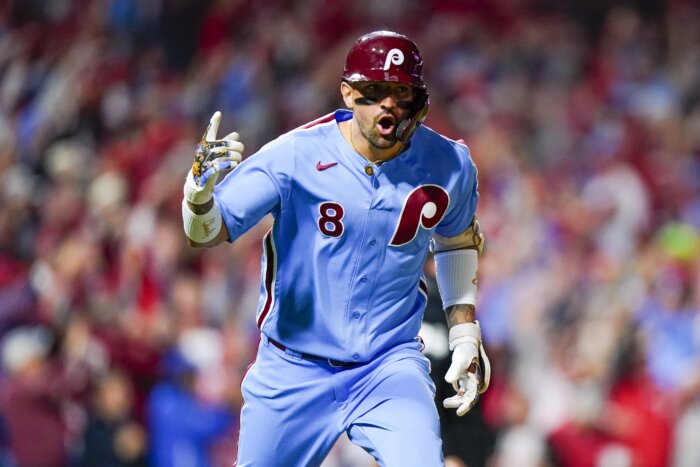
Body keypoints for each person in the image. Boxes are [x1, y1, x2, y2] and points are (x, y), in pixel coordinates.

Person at [181, 30, 491, 466]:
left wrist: (463, 332)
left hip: (388, 365)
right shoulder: (295, 154)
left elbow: (457, 238)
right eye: (375, 90)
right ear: (348, 92)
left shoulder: (449, 163)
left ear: (418, 98)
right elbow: (207, 231)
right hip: (293, 365)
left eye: (400, 91)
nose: (388, 104)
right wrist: (197, 197)